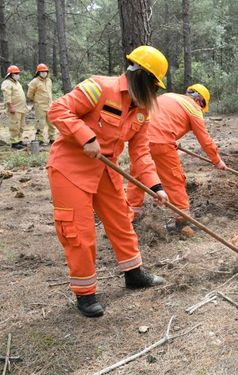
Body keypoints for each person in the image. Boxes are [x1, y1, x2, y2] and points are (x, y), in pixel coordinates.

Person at [47, 45, 170, 318]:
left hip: (107, 170)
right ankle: (85, 293)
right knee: (79, 232)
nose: (155, 93)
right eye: (154, 86)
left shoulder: (141, 111)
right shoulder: (98, 87)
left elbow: (141, 153)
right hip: (71, 169)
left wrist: (157, 187)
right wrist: (85, 137)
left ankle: (133, 273)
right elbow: (57, 110)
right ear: (142, 77)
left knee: (121, 221)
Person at [127, 84, 225, 234]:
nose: (200, 108)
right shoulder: (193, 108)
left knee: (137, 178)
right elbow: (204, 139)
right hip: (162, 142)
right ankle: (182, 221)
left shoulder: (168, 96)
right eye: (202, 105)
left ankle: (131, 218)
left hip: (139, 140)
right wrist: (217, 160)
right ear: (198, 99)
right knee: (174, 179)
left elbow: (160, 120)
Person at [27, 64, 55, 145]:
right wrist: (37, 101)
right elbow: (29, 94)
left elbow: (50, 92)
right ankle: (40, 139)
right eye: (42, 72)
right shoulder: (34, 82)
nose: (44, 73)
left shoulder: (49, 80)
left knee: (51, 123)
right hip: (40, 106)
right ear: (38, 72)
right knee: (40, 123)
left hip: (50, 105)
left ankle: (52, 138)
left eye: (45, 71)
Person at [1, 65, 27, 149]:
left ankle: (19, 140)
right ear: (10, 74)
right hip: (14, 108)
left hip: (21, 108)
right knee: (14, 125)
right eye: (16, 73)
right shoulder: (7, 83)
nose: (17, 74)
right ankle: (14, 142)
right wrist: (10, 107)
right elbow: (7, 96)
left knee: (21, 125)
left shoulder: (17, 83)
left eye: (18, 73)